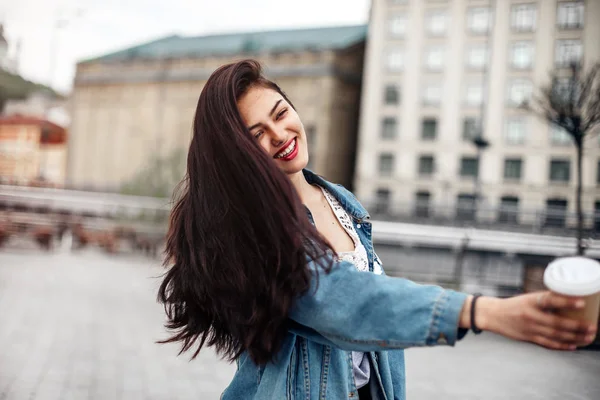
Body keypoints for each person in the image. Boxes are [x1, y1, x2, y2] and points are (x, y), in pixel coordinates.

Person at [158, 59, 597, 400]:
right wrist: (485, 312)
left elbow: (372, 321)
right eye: (257, 134)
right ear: (240, 155)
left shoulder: (342, 201)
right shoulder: (257, 229)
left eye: (281, 113)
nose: (280, 134)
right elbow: (344, 301)